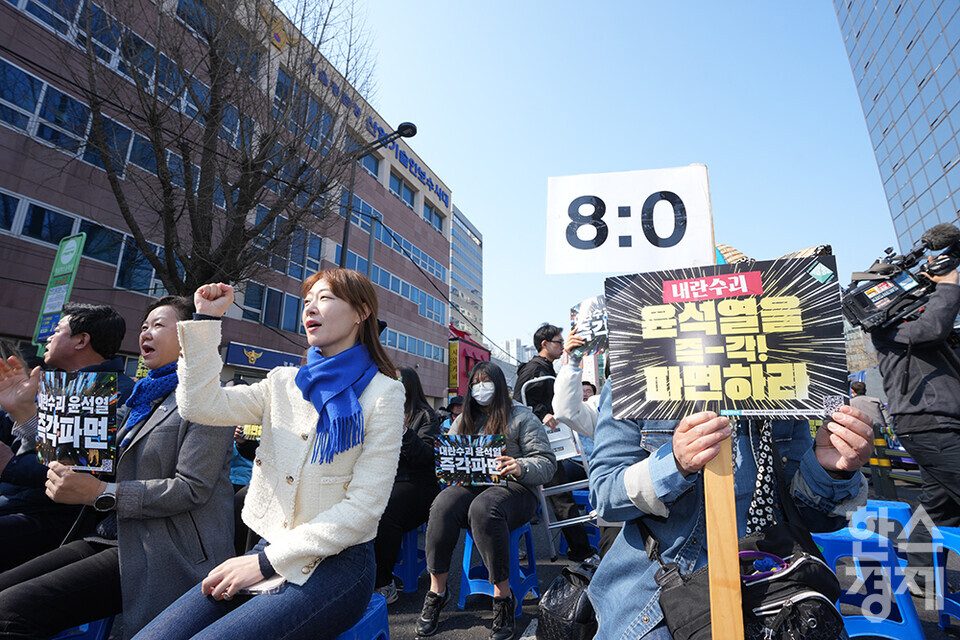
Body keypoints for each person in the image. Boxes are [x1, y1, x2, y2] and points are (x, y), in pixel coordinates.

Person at [133, 268, 404, 640]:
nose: (310, 308)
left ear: (361, 312)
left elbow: (363, 510)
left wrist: (263, 563)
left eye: (325, 298)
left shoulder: (384, 393)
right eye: (306, 301)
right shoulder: (283, 381)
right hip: (268, 546)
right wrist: (207, 321)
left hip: (338, 565)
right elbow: (201, 405)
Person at [0, 296, 235, 639]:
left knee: (9, 613)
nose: (145, 333)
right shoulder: (141, 397)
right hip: (110, 536)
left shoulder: (207, 398)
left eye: (158, 325)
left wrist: (103, 493)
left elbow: (192, 489)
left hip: (163, 551)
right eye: (144, 326)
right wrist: (24, 414)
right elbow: (77, 461)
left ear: (190, 336)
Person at [587, 380, 874, 639]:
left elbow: (808, 515)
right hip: (661, 596)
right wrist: (673, 464)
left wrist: (830, 471)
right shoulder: (637, 377)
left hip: (774, 585)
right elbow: (606, 496)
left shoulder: (782, 379)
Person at [416, 361, 556, 640]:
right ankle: (437, 592)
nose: (481, 389)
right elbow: (449, 459)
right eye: (476, 383)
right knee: (442, 504)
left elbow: (547, 463)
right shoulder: (462, 419)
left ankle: (503, 597)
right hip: (471, 486)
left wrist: (519, 466)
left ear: (500, 385)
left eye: (487, 382)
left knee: (484, 508)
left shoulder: (522, 417)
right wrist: (446, 464)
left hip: (515, 491)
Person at [0, 304, 135, 571]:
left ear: (81, 340)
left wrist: (9, 465)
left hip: (55, 520)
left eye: (58, 330)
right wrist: (15, 409)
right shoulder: (57, 383)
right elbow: (25, 443)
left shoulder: (114, 391)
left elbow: (73, 472)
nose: (48, 337)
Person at [871, 264, 960, 591]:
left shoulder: (920, 324)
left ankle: (920, 575)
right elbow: (932, 328)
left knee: (940, 507)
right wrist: (949, 287)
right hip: (928, 423)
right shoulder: (887, 327)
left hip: (936, 422)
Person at [515, 322, 594, 563]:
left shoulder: (547, 367)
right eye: (559, 342)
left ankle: (580, 548)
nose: (562, 347)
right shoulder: (533, 369)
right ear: (544, 344)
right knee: (561, 498)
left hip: (552, 439)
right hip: (538, 443)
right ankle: (582, 551)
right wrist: (541, 414)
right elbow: (520, 399)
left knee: (560, 496)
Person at [373, 366, 441, 604]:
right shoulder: (378, 411)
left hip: (419, 486)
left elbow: (427, 459)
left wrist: (403, 432)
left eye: (396, 381)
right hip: (385, 482)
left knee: (384, 511)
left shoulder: (426, 416)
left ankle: (383, 583)